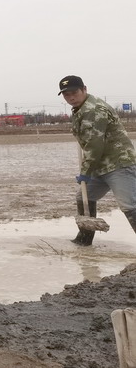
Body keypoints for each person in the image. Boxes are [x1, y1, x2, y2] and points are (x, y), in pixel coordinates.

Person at [59, 75, 136, 245]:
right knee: (84, 197)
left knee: (129, 205)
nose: (71, 97)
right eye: (66, 95)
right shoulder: (80, 109)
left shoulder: (93, 110)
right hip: (99, 165)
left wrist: (85, 172)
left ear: (84, 89)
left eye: (74, 93)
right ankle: (84, 240)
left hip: (118, 163)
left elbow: (94, 146)